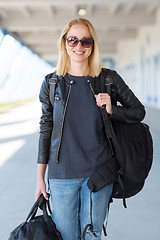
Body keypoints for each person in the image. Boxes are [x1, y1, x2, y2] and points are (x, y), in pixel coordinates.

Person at [35, 18, 145, 240]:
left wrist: (112, 108)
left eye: (86, 41)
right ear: (64, 43)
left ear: (93, 45)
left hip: (99, 174)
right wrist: (40, 177)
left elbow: (138, 111)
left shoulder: (108, 79)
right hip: (61, 176)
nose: (78, 46)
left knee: (92, 236)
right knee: (66, 236)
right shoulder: (52, 83)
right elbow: (46, 128)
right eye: (73, 40)